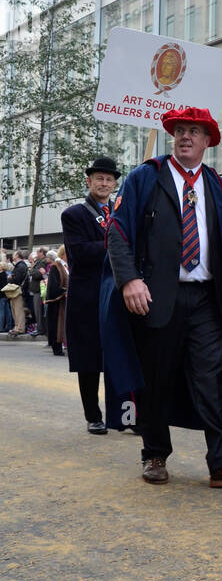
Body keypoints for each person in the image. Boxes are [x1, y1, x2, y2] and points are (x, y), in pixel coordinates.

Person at [101, 107, 222, 488]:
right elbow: (117, 232)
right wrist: (129, 280)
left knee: (211, 376)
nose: (185, 136)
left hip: (207, 298)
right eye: (179, 130)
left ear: (208, 141)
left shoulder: (218, 186)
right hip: (156, 296)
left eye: (194, 131)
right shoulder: (146, 176)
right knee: (156, 378)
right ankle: (154, 454)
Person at [61, 156, 121, 434]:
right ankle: (93, 416)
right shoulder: (74, 214)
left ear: (114, 184)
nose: (104, 183)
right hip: (87, 297)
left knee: (121, 358)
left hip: (118, 294)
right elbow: (80, 252)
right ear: (89, 181)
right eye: (99, 178)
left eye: (109, 179)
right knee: (89, 361)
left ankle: (125, 416)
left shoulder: (121, 211)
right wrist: (116, 244)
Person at [44, 246, 69, 355]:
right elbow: (53, 286)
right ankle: (57, 348)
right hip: (58, 302)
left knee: (65, 325)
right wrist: (64, 291)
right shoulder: (56, 266)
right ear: (63, 254)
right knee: (56, 325)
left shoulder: (67, 266)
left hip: (67, 301)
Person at [3, 250, 29, 336]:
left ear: (17, 255)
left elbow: (17, 279)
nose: (12, 256)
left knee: (18, 310)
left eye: (14, 254)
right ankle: (17, 327)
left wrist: (10, 277)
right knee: (15, 310)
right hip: (15, 291)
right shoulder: (19, 265)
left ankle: (20, 328)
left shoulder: (21, 266)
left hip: (18, 291)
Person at [28, 247, 49, 337]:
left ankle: (40, 329)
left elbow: (37, 275)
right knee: (38, 311)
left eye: (37, 252)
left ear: (42, 253)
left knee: (38, 311)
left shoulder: (42, 262)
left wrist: (31, 269)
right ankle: (40, 329)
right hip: (38, 289)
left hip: (39, 290)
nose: (36, 254)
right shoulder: (40, 261)